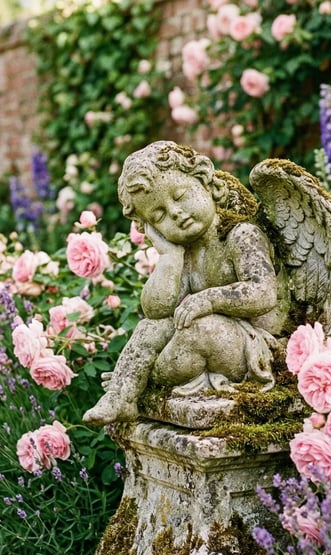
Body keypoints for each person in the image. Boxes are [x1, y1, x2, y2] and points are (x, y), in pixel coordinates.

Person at [82, 141, 284, 426]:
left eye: (180, 195)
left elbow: (263, 292)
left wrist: (210, 299)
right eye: (159, 216)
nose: (175, 213)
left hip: (253, 346)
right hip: (211, 341)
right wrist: (169, 257)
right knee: (150, 327)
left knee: (199, 328)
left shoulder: (241, 235)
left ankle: (132, 377)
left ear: (205, 183)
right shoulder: (186, 252)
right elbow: (156, 310)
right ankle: (121, 395)